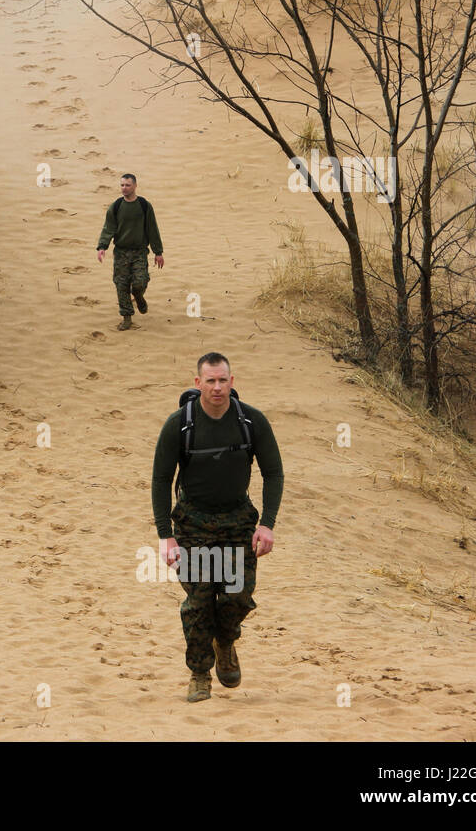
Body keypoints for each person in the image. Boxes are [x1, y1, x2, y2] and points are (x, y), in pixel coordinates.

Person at [150, 353, 283, 703]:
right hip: (192, 525)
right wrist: (166, 536)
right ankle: (199, 674)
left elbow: (274, 473)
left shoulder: (251, 422)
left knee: (236, 597)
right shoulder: (179, 425)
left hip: (238, 523)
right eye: (210, 381)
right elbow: (161, 480)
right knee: (199, 602)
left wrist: (266, 525)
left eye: (223, 380)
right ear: (198, 384)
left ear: (232, 381)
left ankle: (225, 642)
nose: (217, 387)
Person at [95, 173, 164, 331]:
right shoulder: (116, 206)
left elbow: (152, 229)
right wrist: (102, 247)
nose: (124, 188)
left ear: (135, 186)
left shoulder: (144, 205)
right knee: (121, 285)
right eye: (122, 185)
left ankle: (139, 297)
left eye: (127, 185)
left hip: (139, 252)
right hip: (121, 252)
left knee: (139, 283)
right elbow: (108, 228)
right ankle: (127, 318)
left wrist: (158, 252)